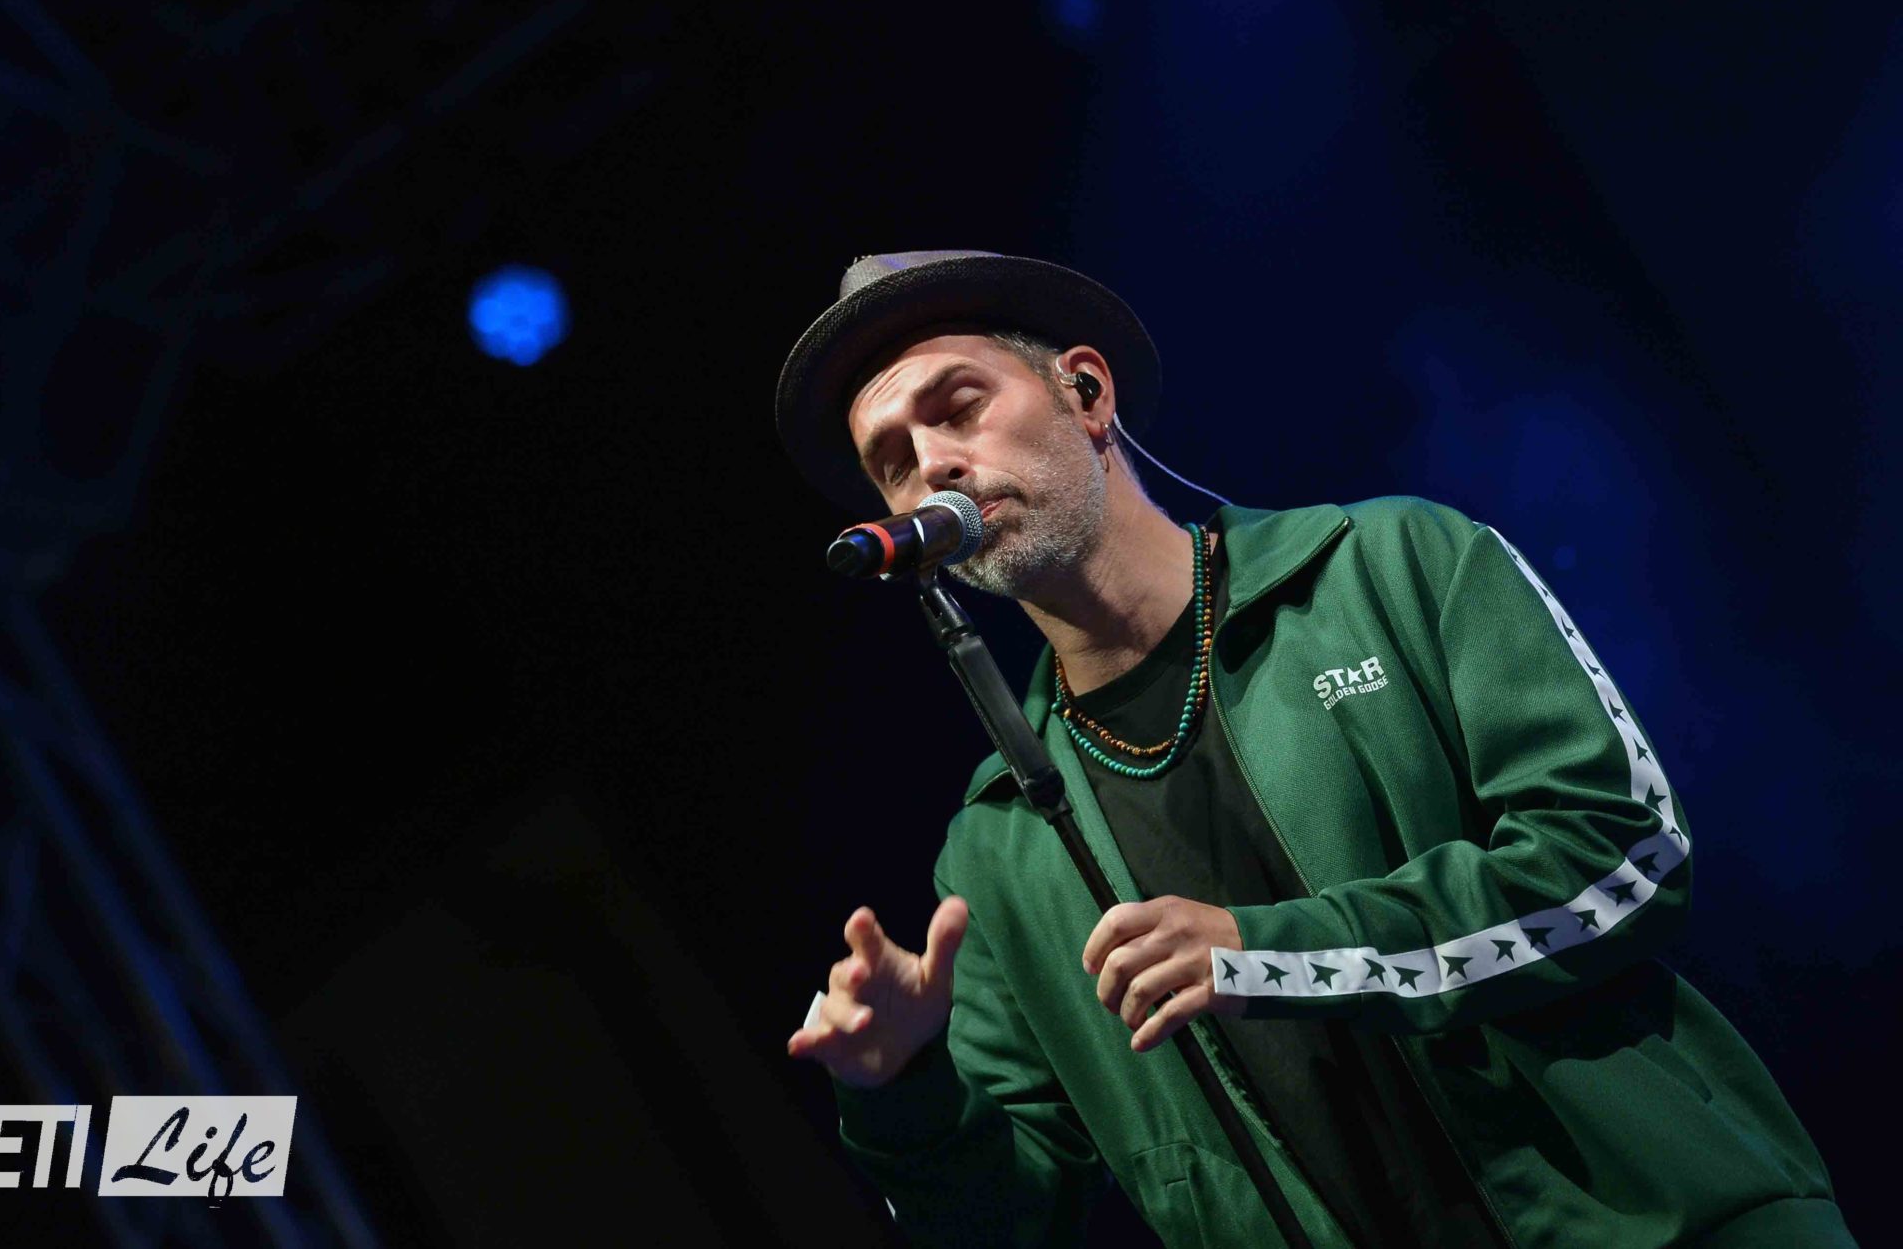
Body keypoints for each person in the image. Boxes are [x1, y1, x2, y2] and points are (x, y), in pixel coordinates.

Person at [774, 250, 1855, 1248]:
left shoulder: (1392, 562)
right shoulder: (996, 846)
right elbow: (1008, 1218)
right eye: (892, 461)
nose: (932, 465)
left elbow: (1625, 855)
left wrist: (1268, 952)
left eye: (957, 406)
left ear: (1087, 393)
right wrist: (900, 1090)